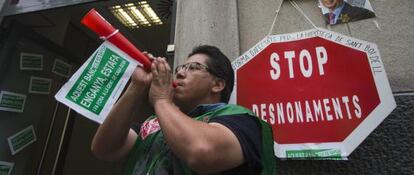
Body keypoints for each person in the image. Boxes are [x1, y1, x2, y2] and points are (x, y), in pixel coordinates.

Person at [91, 45, 276, 175]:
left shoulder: (242, 121)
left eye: (194, 67)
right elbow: (104, 149)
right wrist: (136, 86)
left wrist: (162, 99)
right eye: (181, 67)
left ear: (218, 84)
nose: (179, 73)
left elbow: (201, 151)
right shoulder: (153, 124)